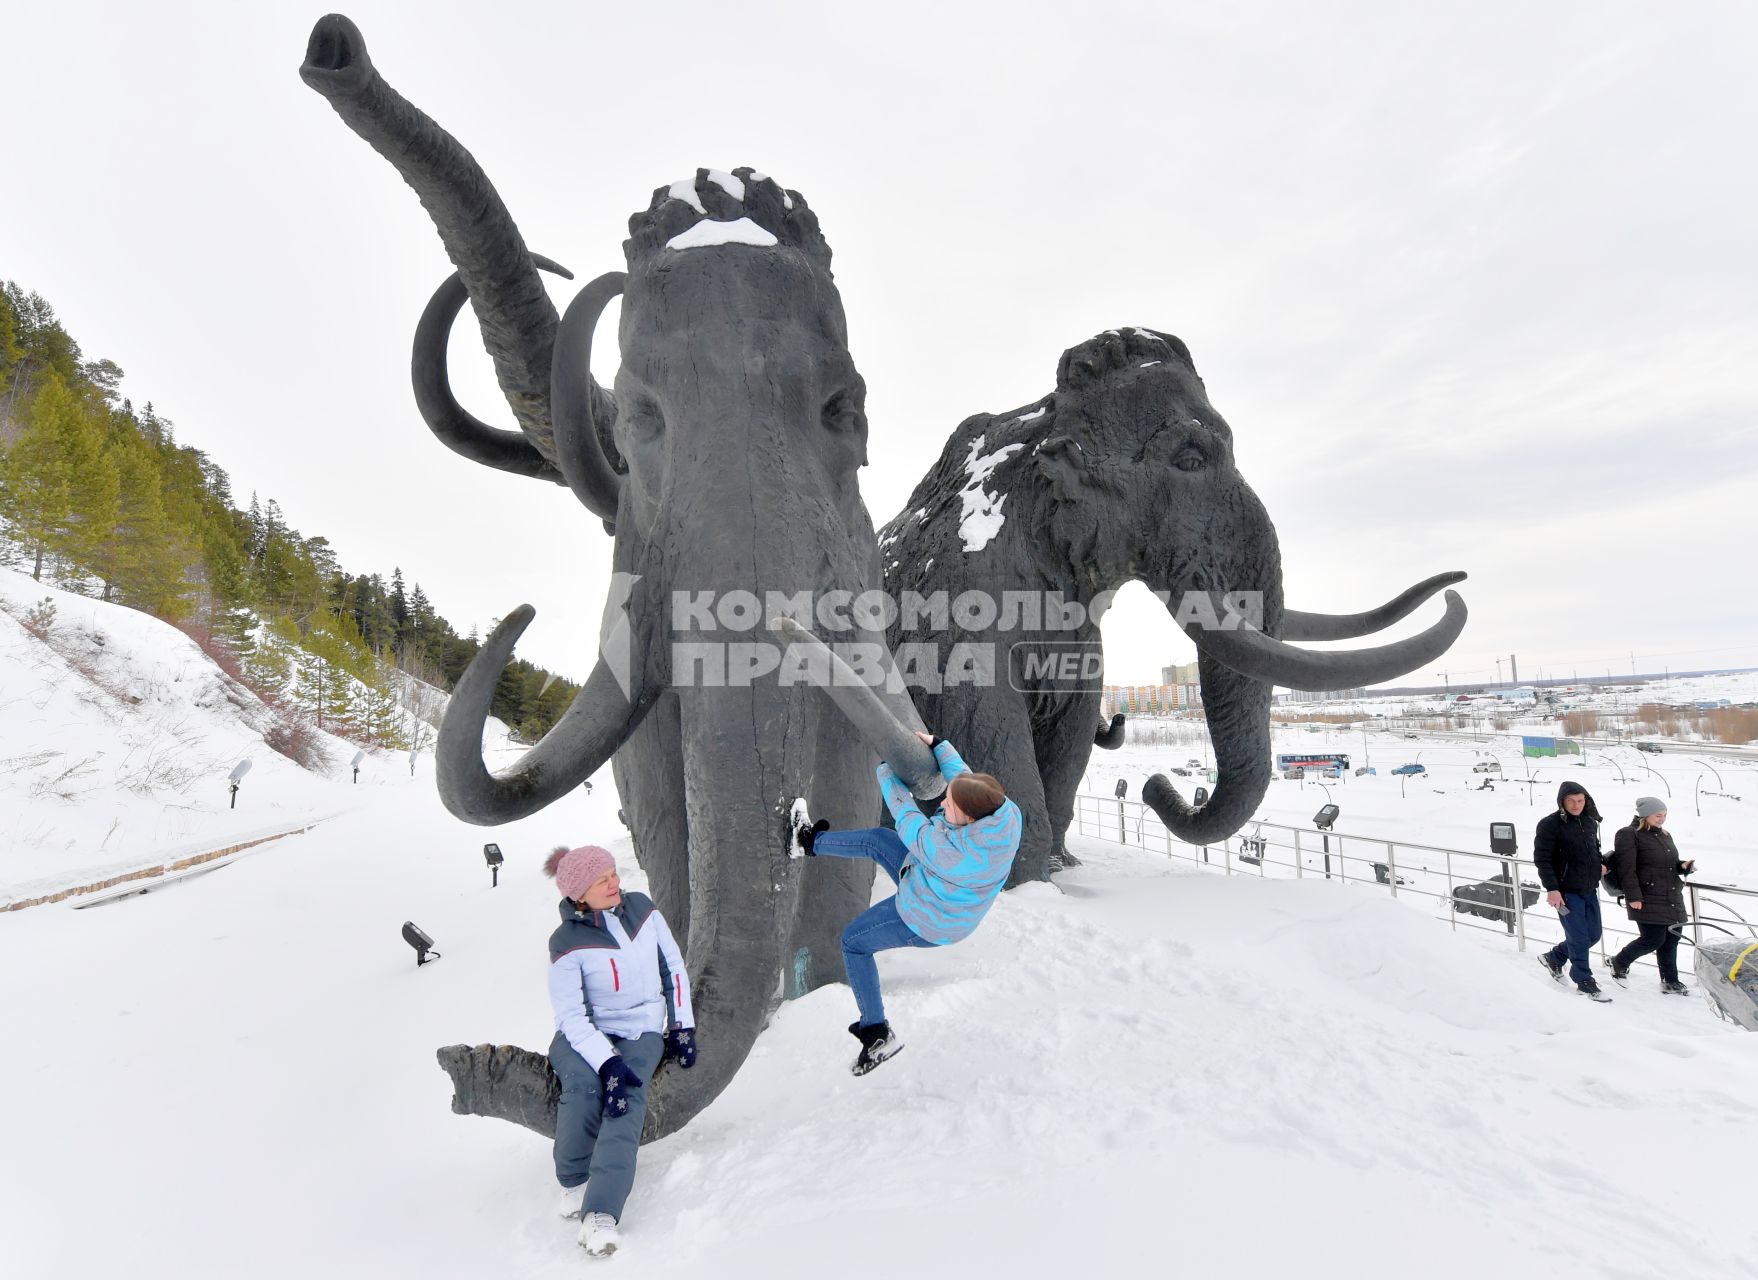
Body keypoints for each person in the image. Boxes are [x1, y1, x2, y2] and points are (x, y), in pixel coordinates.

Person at [790, 731, 1022, 1074]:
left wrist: (885, 763)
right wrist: (938, 744)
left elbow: (904, 812)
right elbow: (963, 779)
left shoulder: (948, 851)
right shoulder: (1005, 814)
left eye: (950, 806)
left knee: (853, 943)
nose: (943, 804)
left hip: (929, 920)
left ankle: (877, 1034)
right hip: (938, 889)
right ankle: (807, 842)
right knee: (879, 840)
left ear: (970, 819)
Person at [544, 844, 696, 1258]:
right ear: (579, 894)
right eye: (602, 880)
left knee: (625, 1101)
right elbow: (572, 1016)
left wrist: (681, 1024)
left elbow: (673, 966)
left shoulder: (642, 910)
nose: (615, 883)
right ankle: (574, 1179)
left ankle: (600, 1214)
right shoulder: (566, 941)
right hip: (584, 1034)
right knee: (585, 1087)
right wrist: (605, 1061)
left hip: (639, 1030)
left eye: (613, 873)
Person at [1532, 781, 1612, 1001]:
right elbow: (1543, 860)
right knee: (1578, 936)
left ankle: (1555, 957)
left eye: (1580, 800)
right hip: (1565, 891)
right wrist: (1552, 889)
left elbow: (1592, 850)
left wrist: (1600, 865)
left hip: (1589, 888)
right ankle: (1583, 980)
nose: (1576, 805)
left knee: (1593, 935)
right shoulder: (1550, 824)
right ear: (1562, 802)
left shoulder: (1589, 822)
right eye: (1571, 801)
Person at [1607, 797, 1696, 993]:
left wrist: (1682, 866)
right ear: (1645, 815)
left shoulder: (1665, 835)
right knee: (1653, 940)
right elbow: (1626, 869)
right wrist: (1633, 897)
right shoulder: (1628, 834)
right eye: (1658, 815)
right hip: (1646, 897)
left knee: (1672, 939)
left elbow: (1667, 864)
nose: (1662, 819)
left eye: (1664, 815)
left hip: (1671, 896)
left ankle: (1670, 981)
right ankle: (1619, 962)